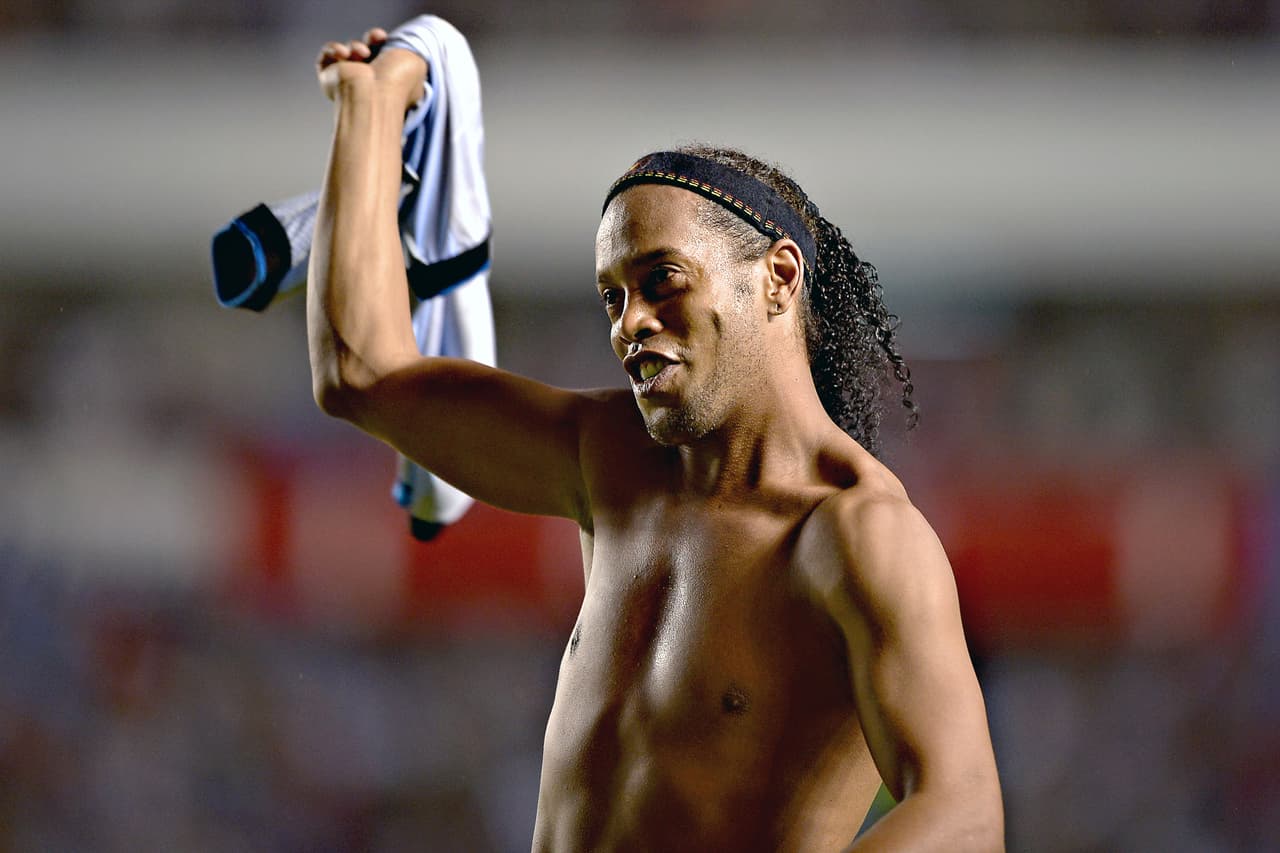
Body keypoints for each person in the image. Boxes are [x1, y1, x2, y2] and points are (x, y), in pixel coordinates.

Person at [310, 28, 1004, 853]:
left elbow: (963, 817)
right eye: (612, 298)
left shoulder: (858, 536)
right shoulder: (609, 459)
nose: (630, 323)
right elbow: (360, 374)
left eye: (660, 281)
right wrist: (370, 106)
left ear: (776, 278)